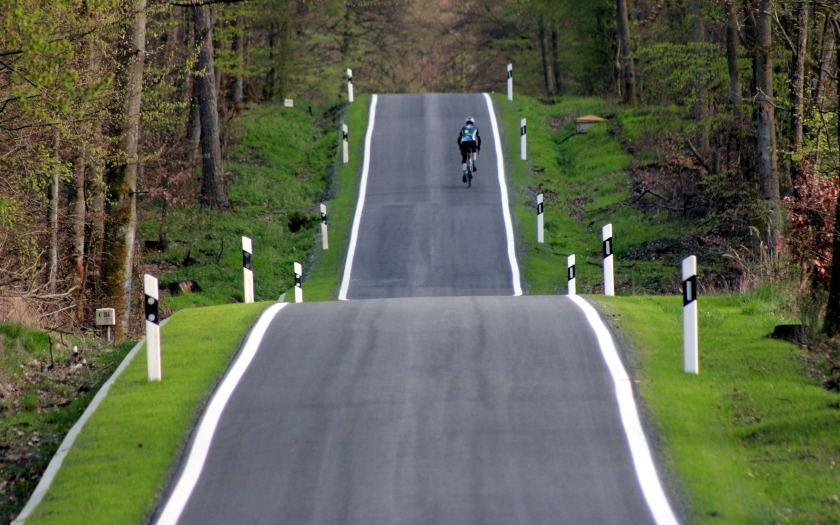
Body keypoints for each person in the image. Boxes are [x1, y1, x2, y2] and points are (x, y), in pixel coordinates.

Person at [457, 116, 481, 183]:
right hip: (472, 142)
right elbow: (479, 139)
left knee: (464, 160)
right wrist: (478, 146)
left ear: (466, 122)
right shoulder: (475, 128)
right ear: (473, 122)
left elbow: (458, 140)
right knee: (474, 151)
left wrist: (460, 146)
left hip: (464, 143)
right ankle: (474, 164)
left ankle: (464, 174)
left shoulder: (463, 128)